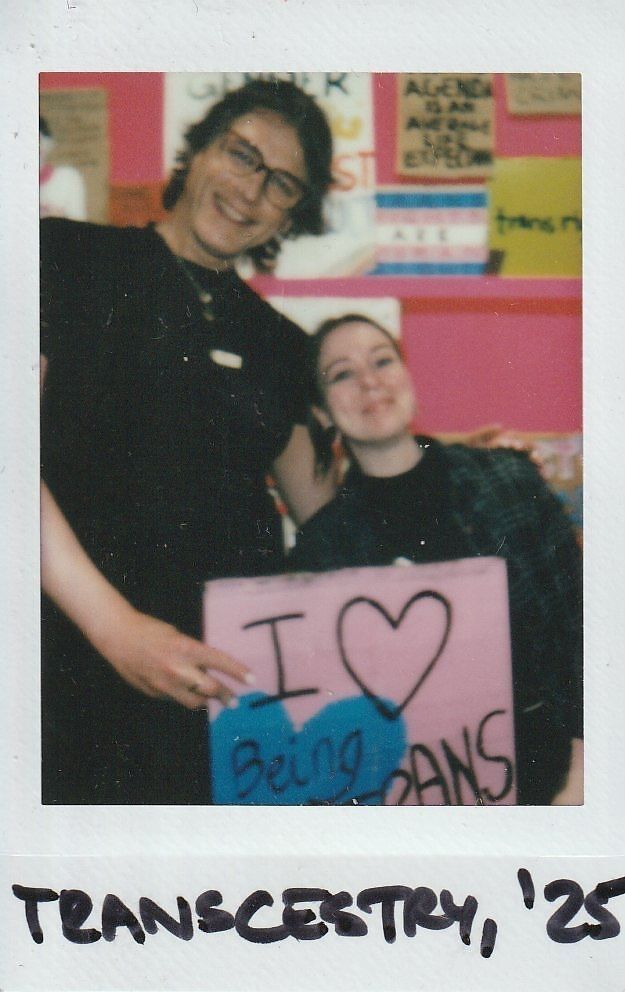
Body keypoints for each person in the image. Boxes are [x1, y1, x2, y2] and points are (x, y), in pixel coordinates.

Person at [40, 80, 335, 804]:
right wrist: (118, 631)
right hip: (70, 668)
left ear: (291, 215)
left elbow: (328, 520)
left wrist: (420, 456)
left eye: (282, 183)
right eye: (241, 155)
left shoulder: (280, 343)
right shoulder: (62, 258)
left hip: (226, 693)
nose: (250, 190)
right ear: (198, 149)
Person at [289, 315, 583, 805]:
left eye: (382, 361)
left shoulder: (509, 483)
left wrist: (580, 770)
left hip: (553, 777)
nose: (369, 380)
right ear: (322, 411)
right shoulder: (321, 549)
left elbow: (583, 628)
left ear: (407, 378)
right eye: (342, 373)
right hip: (414, 801)